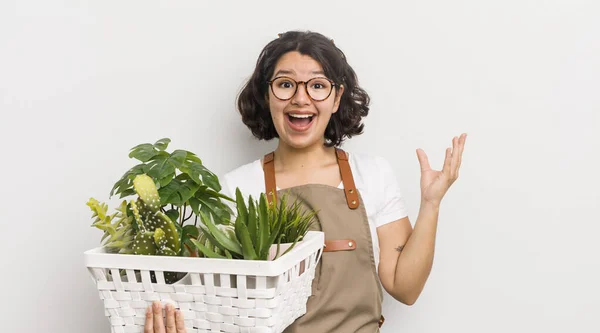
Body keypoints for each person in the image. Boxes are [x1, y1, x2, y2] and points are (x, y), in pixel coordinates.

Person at [145, 30, 467, 333]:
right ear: (266, 95)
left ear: (337, 97)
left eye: (317, 85)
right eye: (286, 85)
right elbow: (213, 306)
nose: (301, 99)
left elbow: (405, 287)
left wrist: (431, 204)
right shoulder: (237, 188)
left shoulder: (372, 175)